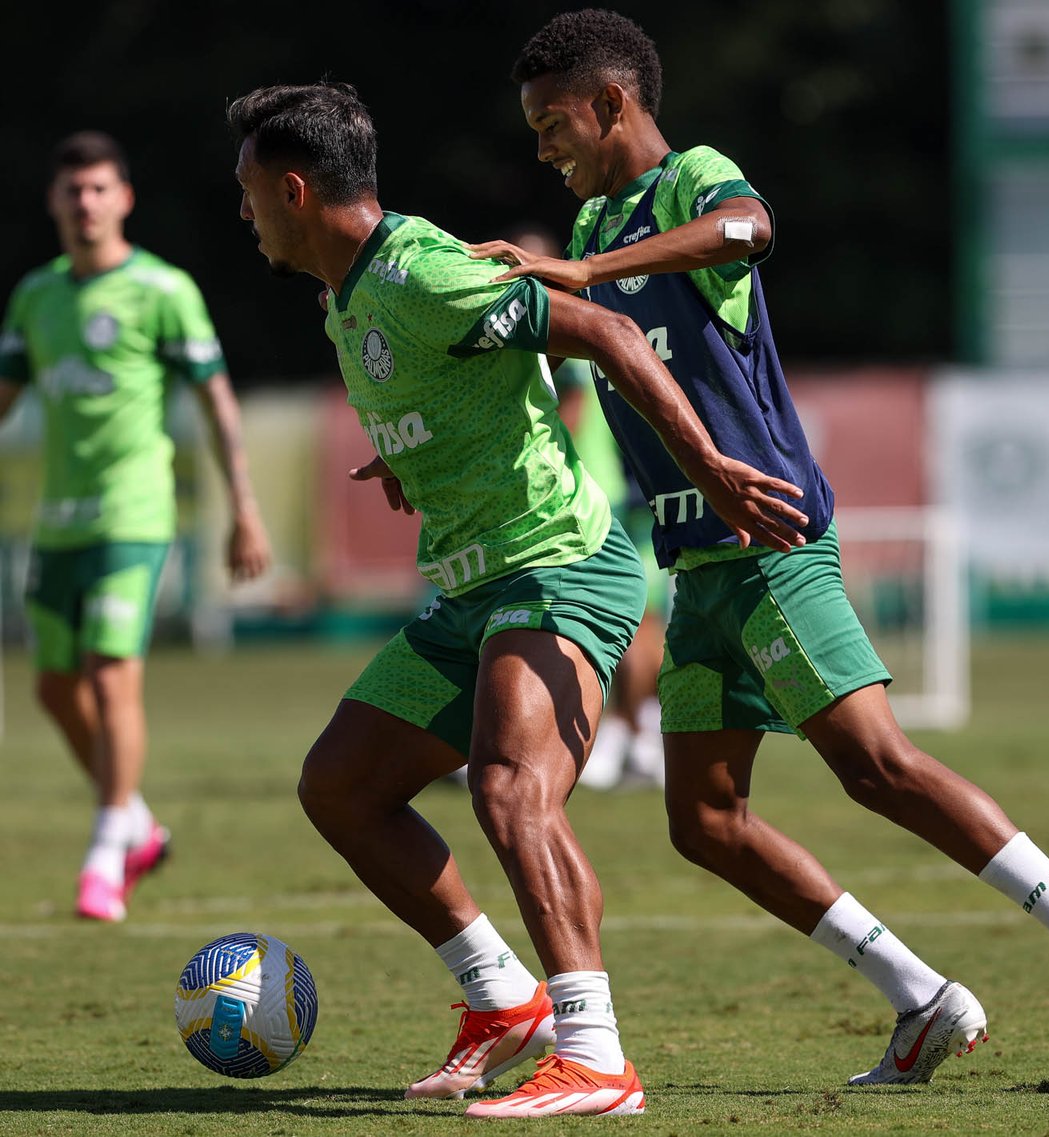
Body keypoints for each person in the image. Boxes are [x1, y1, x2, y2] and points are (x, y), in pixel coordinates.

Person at [466, 8, 1049, 1094]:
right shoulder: (605, 230)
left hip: (767, 543)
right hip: (697, 568)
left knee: (878, 765)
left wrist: (585, 269)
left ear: (613, 104)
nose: (541, 147)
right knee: (704, 820)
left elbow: (749, 229)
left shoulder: (686, 183)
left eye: (552, 122)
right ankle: (923, 998)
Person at [226, 80, 810, 1119]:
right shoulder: (344, 294)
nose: (244, 215)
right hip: (471, 582)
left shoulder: (422, 273)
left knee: (509, 789)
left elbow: (607, 335)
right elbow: (455, 390)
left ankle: (595, 1056)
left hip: (558, 565)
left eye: (249, 194)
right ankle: (504, 1003)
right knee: (341, 785)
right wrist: (407, 457)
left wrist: (715, 470)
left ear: (296, 189)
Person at [0, 131, 272, 924]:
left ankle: (103, 851)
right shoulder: (35, 297)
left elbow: (217, 400)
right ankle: (138, 821)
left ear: (123, 198)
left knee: (110, 672)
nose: (85, 203)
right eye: (71, 190)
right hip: (57, 524)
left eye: (98, 189)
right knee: (54, 688)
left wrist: (244, 508)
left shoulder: (163, 289)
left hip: (134, 514)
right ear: (54, 201)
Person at [507, 224, 666, 791]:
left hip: (592, 495)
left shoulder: (564, 328)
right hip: (614, 490)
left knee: (625, 622)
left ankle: (625, 734)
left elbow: (563, 419)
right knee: (636, 618)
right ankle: (633, 734)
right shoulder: (580, 322)